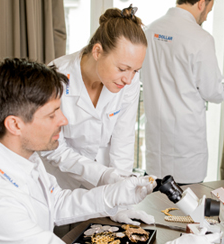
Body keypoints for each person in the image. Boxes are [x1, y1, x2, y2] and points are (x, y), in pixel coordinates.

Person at [0, 58, 154, 243]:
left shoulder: (19, 154)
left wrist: (113, 196)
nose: (63, 120)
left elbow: (56, 202)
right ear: (15, 124)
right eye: (52, 114)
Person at [40, 6, 153, 225]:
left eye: (135, 71)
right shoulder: (55, 77)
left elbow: (123, 141)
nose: (129, 79)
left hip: (102, 190)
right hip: (59, 188)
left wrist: (120, 200)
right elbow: (53, 150)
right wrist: (103, 177)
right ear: (98, 52)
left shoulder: (127, 83)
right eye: (122, 68)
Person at [142, 0, 224, 185]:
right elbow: (213, 92)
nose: (206, 15)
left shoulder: (149, 31)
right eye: (209, 10)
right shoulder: (201, 38)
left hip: (156, 146)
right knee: (184, 208)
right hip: (186, 149)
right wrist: (221, 88)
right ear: (202, 3)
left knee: (156, 205)